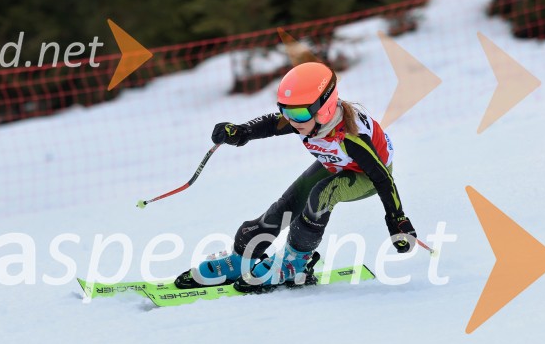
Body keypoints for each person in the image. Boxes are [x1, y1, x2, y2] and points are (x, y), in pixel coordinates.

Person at [175, 62, 417, 293]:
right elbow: (272, 123)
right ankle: (243, 258)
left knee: (321, 195)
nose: (291, 121)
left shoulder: (352, 139)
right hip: (336, 164)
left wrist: (397, 221)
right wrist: (242, 132)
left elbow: (383, 178)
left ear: (325, 109)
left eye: (299, 114)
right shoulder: (305, 119)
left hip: (366, 176)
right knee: (288, 203)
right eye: (286, 110)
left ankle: (294, 264)